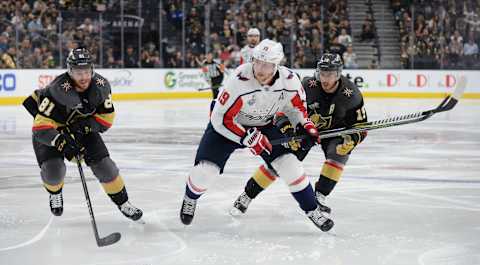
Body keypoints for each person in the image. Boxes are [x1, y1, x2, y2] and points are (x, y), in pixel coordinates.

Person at [179, 39, 334, 232]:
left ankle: (312, 210)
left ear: (277, 65)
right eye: (258, 62)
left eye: (267, 65)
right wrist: (247, 138)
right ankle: (190, 198)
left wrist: (305, 125)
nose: (260, 69)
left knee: (290, 164)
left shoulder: (290, 81)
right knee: (205, 172)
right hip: (227, 128)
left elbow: (296, 109)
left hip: (264, 125)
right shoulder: (238, 80)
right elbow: (220, 119)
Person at [231, 53, 368, 215]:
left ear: (338, 74)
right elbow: (281, 110)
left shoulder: (350, 93)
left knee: (339, 153)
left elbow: (361, 126)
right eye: (323, 73)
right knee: (280, 161)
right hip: (304, 130)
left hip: (334, 131)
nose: (325, 79)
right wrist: (288, 132)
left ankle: (320, 196)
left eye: (330, 74)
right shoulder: (306, 86)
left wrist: (351, 140)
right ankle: (247, 195)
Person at [22, 47, 143, 221]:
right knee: (53, 171)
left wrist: (83, 127)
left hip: (81, 128)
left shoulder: (100, 87)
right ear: (70, 71)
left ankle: (124, 203)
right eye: (79, 72)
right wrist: (61, 141)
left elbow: (106, 120)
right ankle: (55, 192)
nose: (84, 77)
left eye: (86, 71)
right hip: (52, 130)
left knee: (106, 167)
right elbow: (40, 129)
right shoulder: (56, 91)